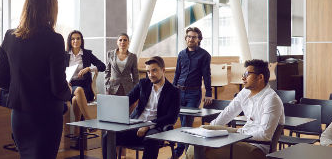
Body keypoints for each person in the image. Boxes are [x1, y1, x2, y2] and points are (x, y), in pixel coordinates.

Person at [0, 0, 72, 159]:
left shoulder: (10, 36)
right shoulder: (55, 40)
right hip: (46, 117)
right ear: (50, 9)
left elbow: (1, 80)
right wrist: (70, 92)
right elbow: (59, 88)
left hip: (20, 116)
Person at [186, 59, 285, 159]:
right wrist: (211, 131)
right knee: (202, 131)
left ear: (260, 77)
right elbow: (228, 112)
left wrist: (238, 136)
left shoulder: (271, 99)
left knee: (208, 148)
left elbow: (264, 135)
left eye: (247, 74)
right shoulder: (245, 92)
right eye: (243, 74)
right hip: (242, 136)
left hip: (256, 148)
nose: (243, 77)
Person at [101, 56, 181, 159]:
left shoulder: (174, 91)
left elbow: (172, 117)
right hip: (135, 125)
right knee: (108, 137)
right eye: (148, 72)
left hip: (156, 128)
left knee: (151, 139)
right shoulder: (143, 83)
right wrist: (111, 111)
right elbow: (127, 100)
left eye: (154, 71)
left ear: (163, 70)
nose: (151, 75)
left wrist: (149, 125)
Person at [172, 27, 213, 159]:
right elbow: (177, 73)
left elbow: (206, 75)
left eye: (194, 37)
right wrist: (172, 91)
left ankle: (181, 153)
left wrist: (208, 93)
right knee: (181, 122)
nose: (190, 39)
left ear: (199, 39)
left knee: (186, 124)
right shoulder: (181, 54)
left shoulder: (204, 55)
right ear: (186, 38)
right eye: (189, 36)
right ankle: (184, 151)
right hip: (179, 92)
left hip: (193, 93)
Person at [65, 30, 106, 136]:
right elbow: (58, 71)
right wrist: (65, 81)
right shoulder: (64, 55)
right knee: (77, 90)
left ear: (81, 40)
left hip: (86, 88)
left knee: (75, 99)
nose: (75, 41)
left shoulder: (87, 54)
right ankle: (88, 120)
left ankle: (77, 127)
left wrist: (89, 68)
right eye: (73, 39)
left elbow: (102, 66)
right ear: (69, 41)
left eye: (78, 38)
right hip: (70, 87)